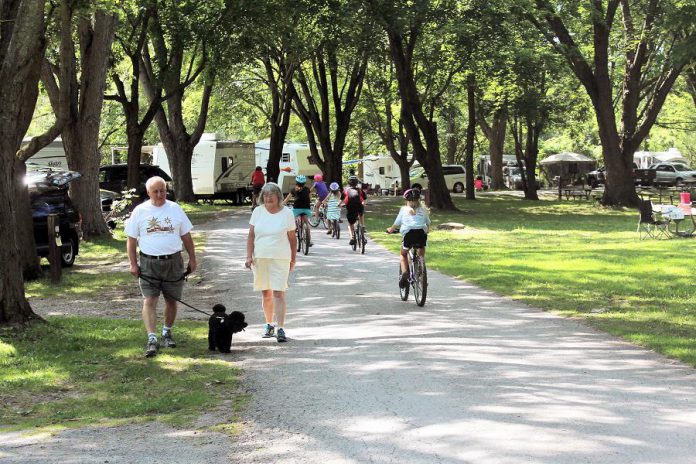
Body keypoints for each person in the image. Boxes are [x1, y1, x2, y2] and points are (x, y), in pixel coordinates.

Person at [126, 176, 197, 358]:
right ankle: (152, 338)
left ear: (167, 191)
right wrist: (133, 264)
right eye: (155, 191)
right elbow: (131, 240)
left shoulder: (175, 209)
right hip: (149, 262)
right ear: (148, 192)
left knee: (172, 299)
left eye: (163, 190)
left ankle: (167, 332)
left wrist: (193, 259)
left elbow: (186, 236)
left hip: (173, 261)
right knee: (150, 300)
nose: (160, 194)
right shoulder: (140, 211)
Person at [245, 182, 296, 343]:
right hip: (261, 257)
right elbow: (251, 235)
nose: (268, 198)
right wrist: (248, 256)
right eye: (265, 195)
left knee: (278, 293)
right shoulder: (258, 212)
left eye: (271, 194)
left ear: (278, 197)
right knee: (266, 293)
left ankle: (280, 328)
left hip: (280, 258)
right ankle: (268, 324)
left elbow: (292, 239)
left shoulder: (286, 213)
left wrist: (293, 259)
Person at [386, 188, 431, 288]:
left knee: (403, 254)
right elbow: (428, 223)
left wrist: (390, 230)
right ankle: (421, 271)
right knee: (421, 249)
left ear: (406, 200)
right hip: (421, 233)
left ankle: (405, 273)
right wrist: (427, 229)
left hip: (409, 234)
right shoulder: (423, 210)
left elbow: (397, 223)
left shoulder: (404, 209)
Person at [284, 174, 312, 246]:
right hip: (306, 209)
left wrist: (282, 204)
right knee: (307, 224)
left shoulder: (293, 190)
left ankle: (295, 230)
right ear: (304, 183)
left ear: (296, 182)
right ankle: (309, 240)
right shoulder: (307, 189)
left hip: (297, 209)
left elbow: (287, 199)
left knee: (291, 221)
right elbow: (310, 198)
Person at [340, 175, 366, 246]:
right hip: (359, 206)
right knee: (361, 213)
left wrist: (338, 205)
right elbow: (364, 199)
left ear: (349, 183)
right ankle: (363, 226)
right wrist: (363, 204)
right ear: (357, 182)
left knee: (350, 224)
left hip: (350, 207)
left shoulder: (345, 190)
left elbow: (341, 200)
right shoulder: (360, 190)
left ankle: (352, 237)